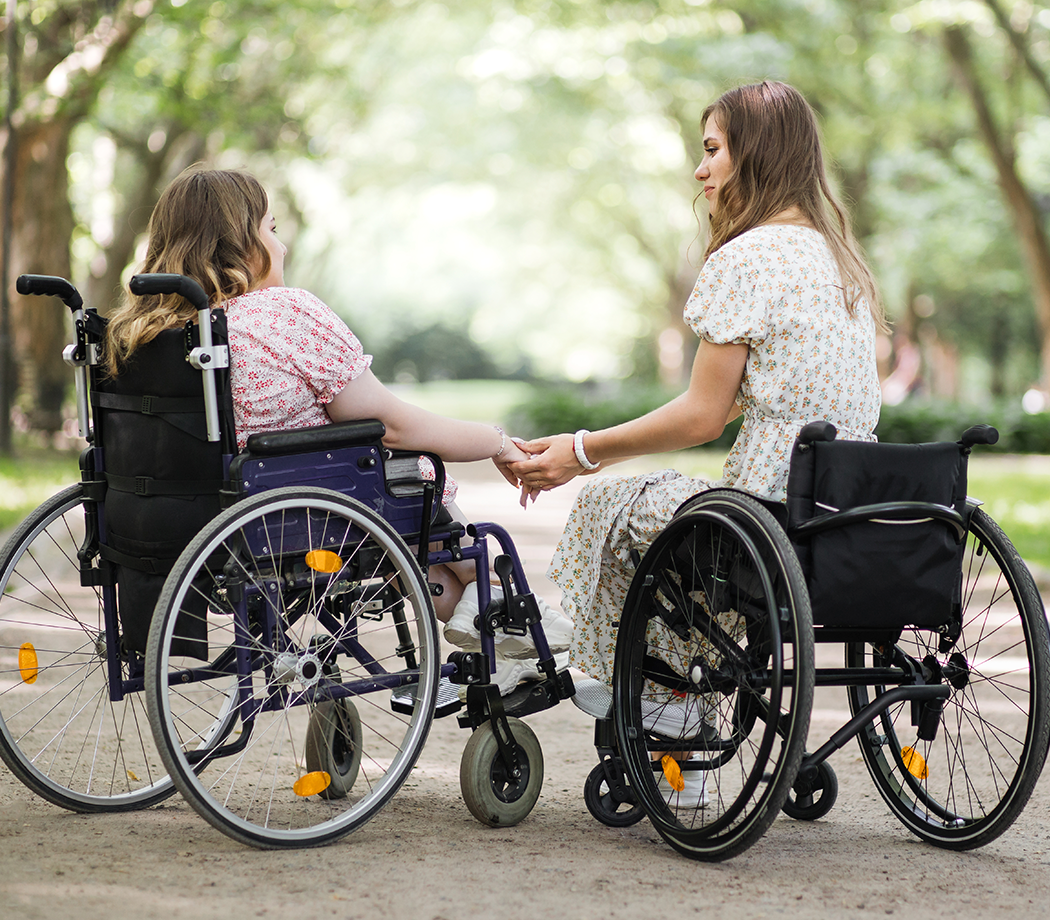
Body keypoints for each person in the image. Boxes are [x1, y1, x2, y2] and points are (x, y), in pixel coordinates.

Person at [509, 81, 883, 804]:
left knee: (615, 503)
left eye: (712, 150)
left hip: (762, 515)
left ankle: (651, 692)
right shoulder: (843, 266)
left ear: (756, 153)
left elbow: (701, 417)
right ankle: (647, 674)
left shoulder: (748, 259)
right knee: (668, 513)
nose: (700, 169)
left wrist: (581, 449)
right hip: (842, 514)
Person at [104, 167, 573, 693]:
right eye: (271, 228)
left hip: (177, 521)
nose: (280, 247)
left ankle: (480, 606)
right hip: (293, 518)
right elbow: (393, 424)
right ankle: (491, 605)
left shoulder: (135, 335)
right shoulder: (280, 313)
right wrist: (497, 441)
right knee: (408, 472)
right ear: (241, 244)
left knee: (389, 494)